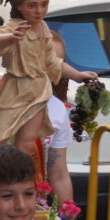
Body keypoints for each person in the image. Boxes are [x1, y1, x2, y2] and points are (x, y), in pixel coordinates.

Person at [0, 0, 96, 181]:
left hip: (38, 92)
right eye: (32, 5)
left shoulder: (43, 28)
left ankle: (20, 181)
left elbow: (52, 62)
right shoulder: (14, 27)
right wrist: (10, 38)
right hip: (15, 90)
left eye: (44, 3)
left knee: (27, 142)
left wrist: (77, 75)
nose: (39, 10)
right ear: (19, 5)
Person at [43, 32, 75, 204]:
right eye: (50, 62)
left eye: (61, 63)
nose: (56, 69)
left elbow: (59, 174)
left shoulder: (57, 108)